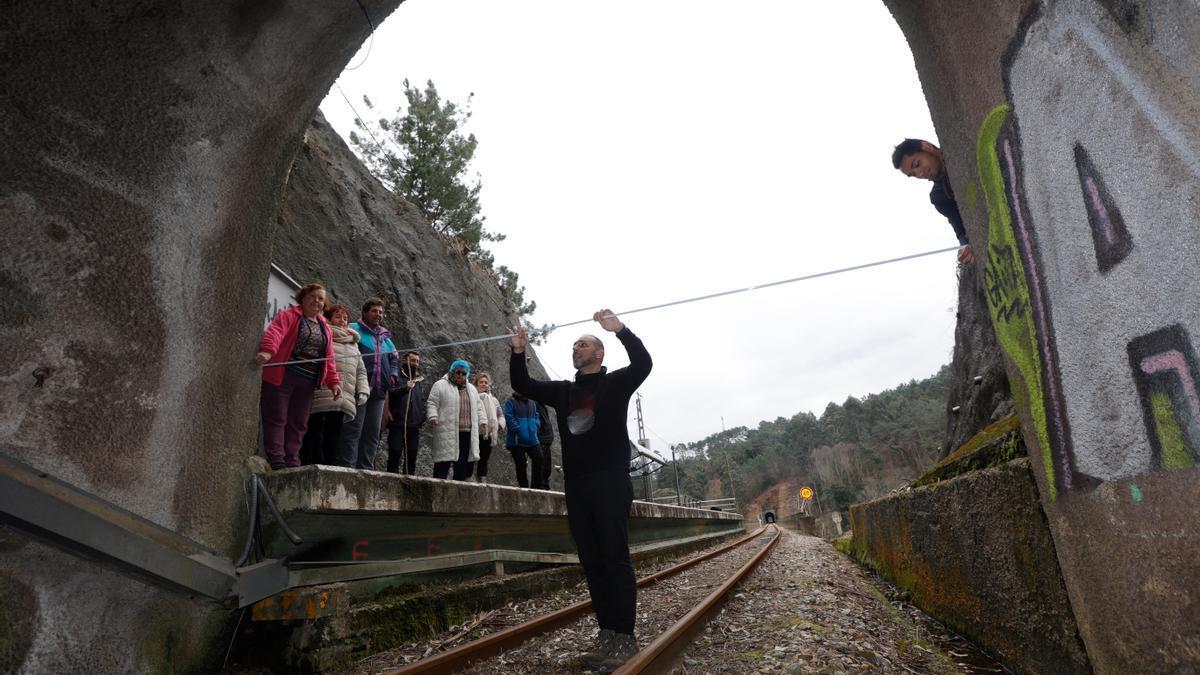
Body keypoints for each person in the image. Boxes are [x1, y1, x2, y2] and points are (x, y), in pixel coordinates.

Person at [509, 309, 652, 670]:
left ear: (599, 354)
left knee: (614, 558)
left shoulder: (616, 383)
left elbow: (644, 364)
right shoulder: (563, 391)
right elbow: (524, 384)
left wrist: (619, 330)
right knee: (591, 560)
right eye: (575, 344)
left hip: (610, 480)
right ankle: (607, 633)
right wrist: (518, 351)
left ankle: (625, 638)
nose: (576, 347)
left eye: (583, 343)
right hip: (578, 484)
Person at [255, 283, 342, 470]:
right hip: (283, 376)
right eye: (312, 297)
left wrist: (334, 382)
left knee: (299, 423)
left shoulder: (324, 327)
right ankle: (277, 459)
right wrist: (268, 352)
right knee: (276, 417)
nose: (316, 301)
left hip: (308, 381)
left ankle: (293, 461)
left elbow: (329, 358)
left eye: (320, 299)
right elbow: (275, 333)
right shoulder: (289, 316)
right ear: (302, 298)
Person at [300, 304, 370, 466]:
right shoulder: (323, 335)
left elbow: (361, 370)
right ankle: (311, 463)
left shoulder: (353, 344)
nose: (342, 321)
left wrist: (363, 390)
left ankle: (330, 466)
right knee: (314, 430)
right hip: (320, 392)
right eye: (338, 317)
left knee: (335, 433)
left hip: (343, 395)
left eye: (345, 318)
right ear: (329, 318)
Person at [891, 138, 975, 264]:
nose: (919, 174)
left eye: (917, 164)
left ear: (927, 147)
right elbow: (961, 230)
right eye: (913, 174)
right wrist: (964, 249)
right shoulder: (939, 196)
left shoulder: (958, 147)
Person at [340, 298, 398, 470]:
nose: (378, 314)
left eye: (380, 312)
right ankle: (347, 467)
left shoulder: (386, 338)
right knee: (353, 429)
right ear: (364, 312)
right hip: (358, 389)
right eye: (374, 311)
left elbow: (394, 358)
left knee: (372, 433)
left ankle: (365, 469)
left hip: (379, 393)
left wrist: (393, 377)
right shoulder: (353, 329)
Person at [425, 360, 486, 480]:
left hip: (466, 433)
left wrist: (482, 421)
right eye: (458, 372)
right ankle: (436, 494)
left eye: (464, 373)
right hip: (447, 431)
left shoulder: (472, 389)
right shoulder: (440, 385)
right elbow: (432, 402)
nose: (460, 375)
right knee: (442, 466)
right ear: (452, 371)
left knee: (461, 468)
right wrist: (433, 416)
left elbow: (479, 407)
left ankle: (457, 496)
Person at [386, 350, 430, 474]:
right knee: (394, 454)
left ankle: (408, 485)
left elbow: (422, 400)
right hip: (397, 423)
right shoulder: (396, 376)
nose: (415, 364)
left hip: (414, 425)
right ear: (405, 361)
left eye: (417, 361)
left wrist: (422, 418)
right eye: (412, 360)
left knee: (411, 456)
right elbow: (390, 393)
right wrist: (405, 389)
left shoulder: (420, 381)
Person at [504, 389, 542, 488]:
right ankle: (524, 488)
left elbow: (537, 415)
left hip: (532, 439)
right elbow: (509, 417)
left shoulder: (532, 402)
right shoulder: (511, 401)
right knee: (521, 464)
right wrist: (517, 429)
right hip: (517, 440)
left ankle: (536, 488)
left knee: (539, 458)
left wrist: (536, 425)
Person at [472, 372, 505, 483]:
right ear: (476, 384)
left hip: (489, 433)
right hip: (475, 432)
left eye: (486, 382)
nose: (484, 384)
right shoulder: (472, 396)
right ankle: (467, 481)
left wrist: (500, 424)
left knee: (484, 460)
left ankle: (481, 482)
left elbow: (500, 415)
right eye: (481, 382)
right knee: (471, 458)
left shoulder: (494, 400)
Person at [535, 401, 555, 490]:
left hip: (546, 439)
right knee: (542, 464)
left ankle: (545, 484)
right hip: (542, 439)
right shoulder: (535, 404)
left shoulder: (543, 406)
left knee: (547, 465)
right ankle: (542, 485)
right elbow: (538, 422)